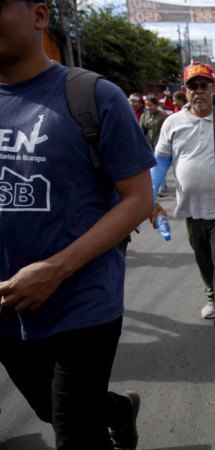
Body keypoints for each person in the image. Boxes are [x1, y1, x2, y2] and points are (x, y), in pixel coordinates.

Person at [0, 1, 156, 448]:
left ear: (40, 16)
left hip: (82, 303)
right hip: (8, 310)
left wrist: (56, 269)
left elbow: (138, 198)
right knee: (49, 409)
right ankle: (120, 409)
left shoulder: (93, 95)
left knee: (75, 432)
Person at [150, 62, 215, 348]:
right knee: (204, 261)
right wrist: (151, 197)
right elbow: (160, 161)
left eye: (204, 85)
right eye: (192, 86)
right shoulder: (173, 122)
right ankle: (211, 295)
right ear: (184, 91)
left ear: (214, 88)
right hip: (191, 209)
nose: (199, 91)